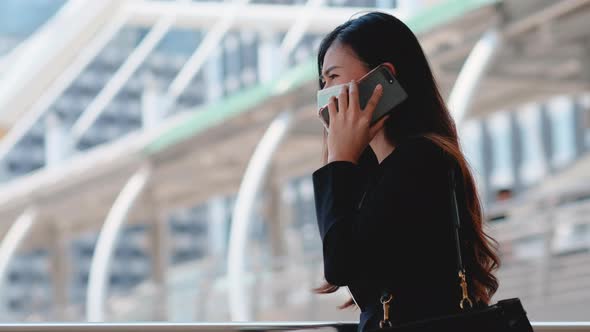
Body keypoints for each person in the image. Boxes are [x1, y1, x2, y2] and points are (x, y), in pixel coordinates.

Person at [311, 12, 500, 332]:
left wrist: (339, 159)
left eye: (333, 76)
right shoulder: (382, 171)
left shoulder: (422, 159)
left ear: (382, 78)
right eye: (323, 81)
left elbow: (339, 264)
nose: (324, 94)